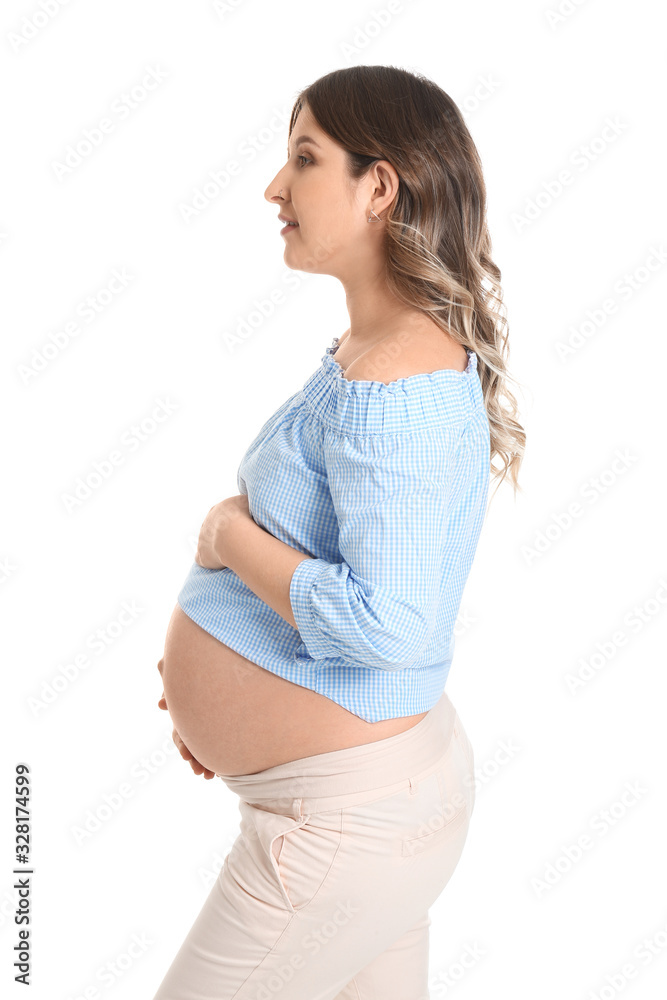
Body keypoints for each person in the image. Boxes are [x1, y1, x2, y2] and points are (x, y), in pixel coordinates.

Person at [152, 64, 526, 999]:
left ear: (379, 187)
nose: (274, 187)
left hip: (345, 828)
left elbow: (391, 622)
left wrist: (224, 538)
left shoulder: (392, 386)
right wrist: (234, 682)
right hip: (357, 805)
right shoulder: (379, 353)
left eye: (303, 159)